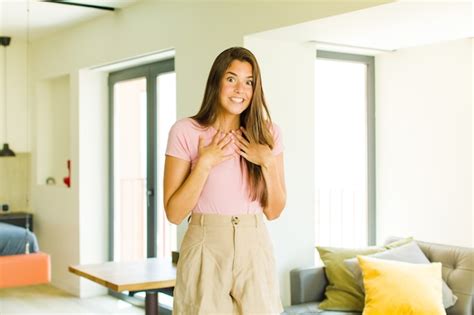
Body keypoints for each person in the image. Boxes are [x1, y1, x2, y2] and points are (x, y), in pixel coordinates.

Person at [163, 47, 286, 315]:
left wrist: (266, 161)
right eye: (231, 79)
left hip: (254, 245)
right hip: (205, 244)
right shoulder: (185, 131)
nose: (239, 89)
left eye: (248, 82)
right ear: (216, 82)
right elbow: (174, 213)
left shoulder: (269, 134)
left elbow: (274, 210)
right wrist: (204, 163)